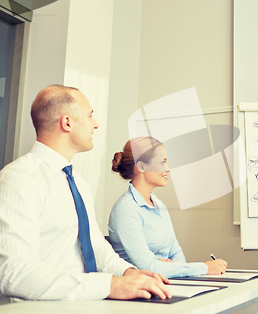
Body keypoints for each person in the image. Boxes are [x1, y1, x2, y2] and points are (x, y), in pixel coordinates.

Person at [0, 85, 171, 301]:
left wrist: (130, 273)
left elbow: (95, 244)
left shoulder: (78, 183)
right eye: (90, 115)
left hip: (82, 304)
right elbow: (13, 272)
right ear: (67, 122)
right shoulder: (19, 179)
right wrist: (109, 285)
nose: (96, 124)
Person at [108, 137, 228, 278]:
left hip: (165, 282)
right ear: (141, 166)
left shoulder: (159, 204)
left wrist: (168, 267)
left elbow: (176, 253)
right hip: (138, 290)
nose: (167, 169)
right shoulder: (126, 209)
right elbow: (147, 267)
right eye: (162, 162)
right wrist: (204, 268)